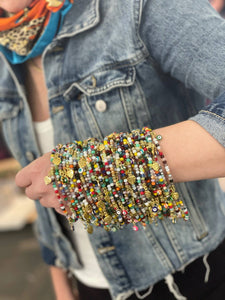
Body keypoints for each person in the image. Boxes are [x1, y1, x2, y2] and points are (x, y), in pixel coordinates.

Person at [1, 0, 225, 299]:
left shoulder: (139, 7)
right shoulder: (9, 49)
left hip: (189, 276)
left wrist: (99, 169)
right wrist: (61, 276)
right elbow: (39, 185)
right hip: (89, 283)